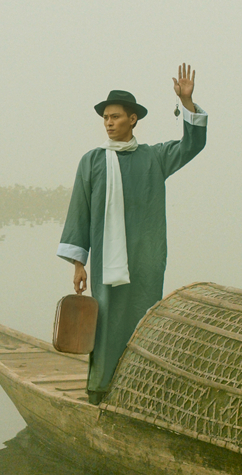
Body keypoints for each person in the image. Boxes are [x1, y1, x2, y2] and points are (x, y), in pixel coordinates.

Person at [58, 65, 208, 403]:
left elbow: (192, 144)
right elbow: (79, 212)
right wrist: (78, 264)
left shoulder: (154, 158)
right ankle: (100, 391)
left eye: (115, 117)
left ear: (133, 120)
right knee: (107, 323)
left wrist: (187, 100)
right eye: (105, 118)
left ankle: (142, 391)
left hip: (146, 260)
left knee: (146, 321)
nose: (109, 123)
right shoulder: (93, 162)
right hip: (108, 265)